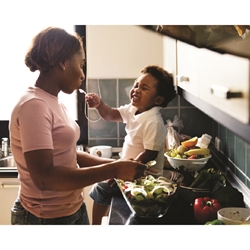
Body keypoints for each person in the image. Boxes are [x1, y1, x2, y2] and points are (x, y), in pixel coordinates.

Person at [9, 26, 146, 225]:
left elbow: (68, 154)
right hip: (45, 219)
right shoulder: (34, 105)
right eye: (80, 64)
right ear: (63, 62)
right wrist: (114, 170)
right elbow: (44, 178)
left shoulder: (53, 101)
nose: (82, 74)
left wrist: (118, 166)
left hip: (72, 209)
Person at [86, 65, 176, 224]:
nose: (136, 90)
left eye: (144, 88)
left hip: (143, 178)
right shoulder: (133, 109)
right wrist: (99, 104)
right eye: (136, 85)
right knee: (102, 185)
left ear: (158, 100)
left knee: (101, 187)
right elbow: (111, 114)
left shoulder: (153, 122)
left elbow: (149, 154)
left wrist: (122, 171)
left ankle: (95, 225)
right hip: (127, 171)